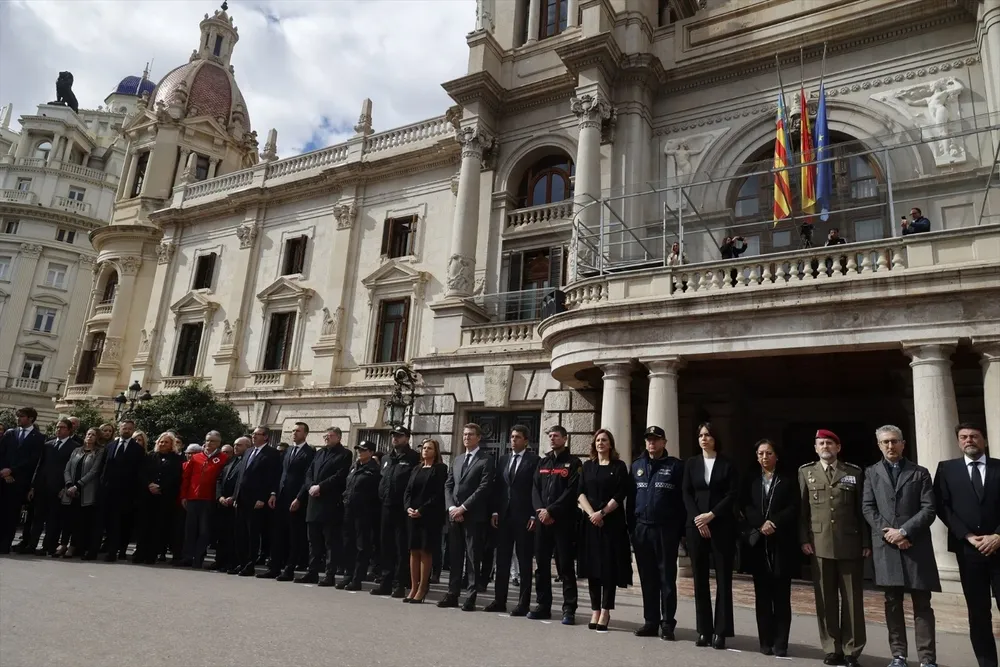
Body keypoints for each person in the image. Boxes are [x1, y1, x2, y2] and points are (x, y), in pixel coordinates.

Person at [862, 425, 940, 667]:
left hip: (916, 547)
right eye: (885, 442)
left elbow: (929, 508)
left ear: (903, 444)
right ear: (879, 445)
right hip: (887, 547)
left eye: (894, 441)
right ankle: (898, 655)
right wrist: (891, 534)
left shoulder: (919, 472)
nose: (890, 446)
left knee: (922, 604)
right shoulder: (871, 473)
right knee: (892, 603)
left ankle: (927, 659)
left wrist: (904, 531)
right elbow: (868, 507)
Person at [799, 429, 870, 667]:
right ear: (815, 448)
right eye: (821, 443)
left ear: (838, 447)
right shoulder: (806, 472)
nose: (825, 447)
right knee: (825, 599)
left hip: (849, 543)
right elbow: (802, 511)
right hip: (819, 543)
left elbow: (862, 510)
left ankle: (852, 650)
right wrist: (803, 539)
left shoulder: (853, 472)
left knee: (852, 600)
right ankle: (831, 647)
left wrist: (865, 542)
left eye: (829, 443)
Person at [933, 423, 1000, 667]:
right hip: (968, 551)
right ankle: (987, 663)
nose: (968, 440)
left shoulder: (999, 467)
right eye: (963, 437)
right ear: (958, 442)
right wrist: (967, 536)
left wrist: (998, 536)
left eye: (974, 436)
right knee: (978, 612)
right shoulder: (947, 469)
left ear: (985, 440)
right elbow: (942, 506)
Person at [682, 421, 739, 650]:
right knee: (700, 578)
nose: (704, 439)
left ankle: (721, 632)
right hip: (696, 526)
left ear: (716, 438)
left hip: (721, 525)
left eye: (708, 435)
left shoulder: (727, 464)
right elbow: (686, 492)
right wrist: (698, 518)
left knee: (723, 579)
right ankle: (704, 630)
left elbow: (732, 494)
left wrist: (711, 515)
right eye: (701, 435)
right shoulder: (691, 463)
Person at [741, 439, 798, 657]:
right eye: (761, 453)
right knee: (762, 596)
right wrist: (760, 523)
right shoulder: (751, 479)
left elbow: (794, 506)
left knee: (782, 596)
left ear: (777, 456)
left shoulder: (787, 479)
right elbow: (745, 505)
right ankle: (765, 641)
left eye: (769, 453)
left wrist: (774, 522)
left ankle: (781, 643)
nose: (765, 457)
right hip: (759, 543)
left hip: (781, 541)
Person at [630, 425, 686, 641]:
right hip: (642, 529)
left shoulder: (675, 466)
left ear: (664, 442)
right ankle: (650, 622)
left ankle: (667, 623)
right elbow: (631, 500)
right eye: (648, 439)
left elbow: (682, 501)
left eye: (655, 439)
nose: (651, 443)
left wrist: (679, 531)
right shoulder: (637, 466)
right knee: (647, 578)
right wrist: (632, 529)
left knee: (667, 579)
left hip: (665, 530)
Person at [577, 429, 632, 632]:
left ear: (610, 444)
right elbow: (580, 493)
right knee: (593, 569)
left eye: (604, 440)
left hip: (611, 523)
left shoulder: (619, 466)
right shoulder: (587, 466)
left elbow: (621, 493)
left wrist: (602, 513)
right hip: (591, 523)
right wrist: (592, 514)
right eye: (598, 440)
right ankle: (595, 610)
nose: (601, 443)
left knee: (608, 569)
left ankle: (606, 611)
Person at [530, 424, 582, 625]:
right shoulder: (543, 462)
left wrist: (551, 511)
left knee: (565, 567)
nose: (552, 439)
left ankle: (569, 609)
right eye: (550, 436)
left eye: (556, 436)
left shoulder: (574, 463)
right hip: (543, 521)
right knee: (541, 566)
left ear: (565, 439)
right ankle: (543, 605)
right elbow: (535, 489)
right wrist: (541, 511)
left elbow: (571, 491)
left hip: (563, 522)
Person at [440, 423, 495, 611]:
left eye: (471, 434)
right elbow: (448, 485)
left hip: (473, 516)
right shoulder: (457, 459)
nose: (466, 437)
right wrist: (451, 508)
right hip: (454, 516)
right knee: (455, 557)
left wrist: (463, 508)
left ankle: (471, 596)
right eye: (464, 434)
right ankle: (452, 594)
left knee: (472, 559)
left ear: (478, 437)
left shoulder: (486, 460)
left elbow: (484, 488)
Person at [486, 425, 540, 616]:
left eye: (517, 437)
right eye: (512, 437)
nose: (513, 440)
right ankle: (499, 600)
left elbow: (536, 489)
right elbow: (498, 488)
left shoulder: (534, 461)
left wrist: (534, 514)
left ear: (526, 440)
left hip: (524, 517)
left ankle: (523, 603)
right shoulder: (503, 460)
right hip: (504, 516)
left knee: (524, 561)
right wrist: (494, 511)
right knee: (502, 560)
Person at [296, 426, 351, 586]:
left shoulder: (344, 454)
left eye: (330, 436)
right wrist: (311, 486)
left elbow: (340, 476)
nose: (327, 438)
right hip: (314, 502)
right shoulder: (319, 453)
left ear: (338, 437)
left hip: (330, 503)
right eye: (325, 435)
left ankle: (329, 574)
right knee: (313, 542)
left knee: (330, 542)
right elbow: (309, 473)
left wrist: (321, 486)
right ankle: (312, 572)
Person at [261, 422, 315, 581]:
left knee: (294, 537)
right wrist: (273, 493)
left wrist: (299, 497)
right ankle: (274, 567)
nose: (294, 433)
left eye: (298, 431)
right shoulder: (288, 451)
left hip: (296, 499)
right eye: (293, 431)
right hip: (281, 497)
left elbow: (307, 477)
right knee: (278, 534)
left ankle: (289, 569)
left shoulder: (309, 453)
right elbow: (280, 473)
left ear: (305, 434)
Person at [371, 426, 420, 597]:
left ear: (407, 438)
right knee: (386, 546)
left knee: (401, 547)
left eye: (399, 436)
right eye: (393, 435)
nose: (395, 438)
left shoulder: (413, 457)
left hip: (402, 508)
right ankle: (385, 582)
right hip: (385, 507)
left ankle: (400, 584)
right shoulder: (386, 458)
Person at [25, 418, 80, 556]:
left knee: (53, 520)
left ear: (69, 430)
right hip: (42, 487)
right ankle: (32, 545)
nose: (58, 430)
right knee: (37, 518)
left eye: (62, 427)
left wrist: (65, 487)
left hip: (58, 489)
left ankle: (47, 547)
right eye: (57, 427)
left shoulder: (74, 447)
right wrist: (33, 486)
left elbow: (72, 470)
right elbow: (40, 466)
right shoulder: (48, 444)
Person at [233, 426, 281, 576]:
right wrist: (235, 496)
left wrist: (263, 497)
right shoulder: (248, 452)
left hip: (256, 500)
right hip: (242, 498)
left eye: (257, 434)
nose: (254, 436)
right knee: (241, 533)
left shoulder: (272, 454)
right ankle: (241, 562)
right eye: (253, 434)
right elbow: (241, 476)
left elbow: (271, 477)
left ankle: (250, 564)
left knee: (252, 534)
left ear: (266, 437)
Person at [404, 438, 448, 603]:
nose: (426, 450)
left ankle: (422, 588)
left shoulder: (440, 469)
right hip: (412, 515)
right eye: (424, 448)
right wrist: (408, 507)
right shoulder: (416, 468)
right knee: (413, 551)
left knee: (425, 551)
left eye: (429, 448)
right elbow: (408, 491)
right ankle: (413, 587)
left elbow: (438, 494)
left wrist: (422, 510)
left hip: (429, 516)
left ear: (435, 452)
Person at [95, 419, 144, 562]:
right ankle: (95, 550)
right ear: (120, 428)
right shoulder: (110, 446)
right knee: (101, 522)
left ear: (132, 430)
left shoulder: (138, 449)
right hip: (107, 491)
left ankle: (113, 552)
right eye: (124, 427)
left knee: (117, 524)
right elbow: (103, 467)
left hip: (125, 493)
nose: (126, 430)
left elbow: (138, 473)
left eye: (129, 428)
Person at [132, 432, 184, 565]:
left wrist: (161, 487)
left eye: (166, 442)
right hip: (147, 496)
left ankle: (151, 555)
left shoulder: (177, 459)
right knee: (144, 526)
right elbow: (141, 472)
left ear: (171, 445)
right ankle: (140, 553)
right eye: (161, 441)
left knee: (158, 527)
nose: (163, 444)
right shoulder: (150, 456)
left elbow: (176, 477)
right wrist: (149, 484)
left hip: (164, 497)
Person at [179, 431, 229, 568]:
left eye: (212, 441)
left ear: (219, 443)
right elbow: (186, 477)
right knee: (190, 529)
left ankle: (198, 558)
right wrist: (184, 495)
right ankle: (187, 557)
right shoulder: (196, 457)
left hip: (209, 499)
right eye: (207, 440)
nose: (209, 443)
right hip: (193, 497)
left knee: (204, 531)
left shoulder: (223, 458)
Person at [0, 407, 45, 554]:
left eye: (22, 416)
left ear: (31, 418)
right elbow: (2, 453)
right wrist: (4, 471)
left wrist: (12, 470)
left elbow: (32, 460)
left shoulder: (38, 438)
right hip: (3, 478)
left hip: (19, 482)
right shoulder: (10, 433)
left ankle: (4, 545)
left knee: (11, 515)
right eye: (18, 416)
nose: (18, 419)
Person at [339, 441, 381, 590]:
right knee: (348, 544)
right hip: (349, 510)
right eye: (358, 449)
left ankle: (357, 578)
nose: (359, 452)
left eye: (363, 450)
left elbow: (375, 493)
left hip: (364, 512)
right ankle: (348, 575)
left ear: (371, 452)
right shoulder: (354, 466)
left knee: (361, 546)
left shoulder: (374, 470)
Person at [61, 428, 106, 559]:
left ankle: (73, 546)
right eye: (88, 434)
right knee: (67, 519)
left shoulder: (99, 452)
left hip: (85, 491)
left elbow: (94, 471)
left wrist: (77, 486)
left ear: (97, 438)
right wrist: (69, 484)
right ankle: (63, 544)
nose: (90, 436)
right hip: (70, 490)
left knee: (79, 521)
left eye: (93, 435)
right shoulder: (76, 450)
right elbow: (67, 468)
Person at [214, 436, 248, 572]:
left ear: (247, 446)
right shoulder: (231, 461)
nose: (235, 447)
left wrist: (233, 497)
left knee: (233, 536)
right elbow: (219, 480)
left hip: (235, 503)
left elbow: (243, 482)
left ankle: (231, 563)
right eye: (235, 445)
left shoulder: (246, 461)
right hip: (223, 503)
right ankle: (219, 561)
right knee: (221, 534)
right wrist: (220, 496)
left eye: (239, 445)